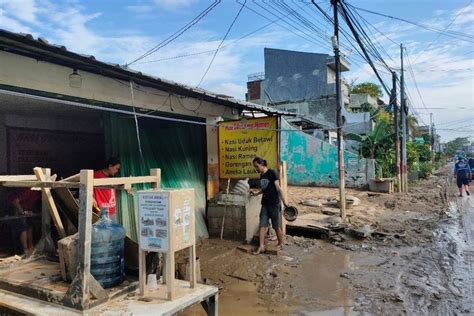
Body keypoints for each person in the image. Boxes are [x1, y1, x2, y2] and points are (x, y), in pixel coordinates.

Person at [252, 157, 289, 255]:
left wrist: (284, 202)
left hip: (274, 204)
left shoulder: (272, 173)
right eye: (255, 167)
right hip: (264, 204)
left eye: (257, 166)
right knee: (262, 225)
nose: (256, 168)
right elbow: (264, 189)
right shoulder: (261, 175)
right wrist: (256, 193)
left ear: (262, 164)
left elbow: (278, 188)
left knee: (276, 225)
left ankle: (280, 243)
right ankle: (261, 246)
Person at [7, 189, 41, 255]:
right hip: (16, 213)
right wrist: (22, 212)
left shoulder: (36, 194)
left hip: (26, 211)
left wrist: (29, 211)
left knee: (30, 226)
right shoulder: (28, 191)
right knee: (23, 228)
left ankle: (31, 247)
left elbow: (30, 204)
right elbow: (15, 201)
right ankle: (25, 250)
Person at [93, 157, 121, 221]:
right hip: (102, 211)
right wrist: (91, 197)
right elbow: (85, 186)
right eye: (116, 168)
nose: (117, 171)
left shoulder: (113, 177)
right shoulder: (96, 175)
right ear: (110, 166)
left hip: (112, 210)